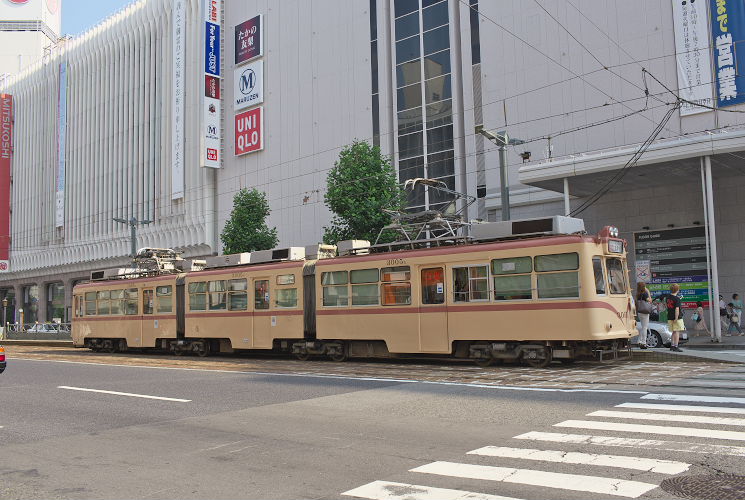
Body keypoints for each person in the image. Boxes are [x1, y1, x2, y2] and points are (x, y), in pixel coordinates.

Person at [666, 284, 684, 352]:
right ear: (677, 290)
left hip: (670, 317)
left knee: (673, 332)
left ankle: (672, 345)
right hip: (677, 317)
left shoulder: (668, 298)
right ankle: (676, 346)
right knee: (677, 332)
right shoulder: (677, 299)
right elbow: (677, 309)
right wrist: (676, 318)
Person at [636, 282, 652, 348]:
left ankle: (639, 341)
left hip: (640, 312)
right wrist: (648, 292)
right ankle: (644, 342)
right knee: (645, 327)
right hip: (645, 312)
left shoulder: (638, 294)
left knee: (643, 327)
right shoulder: (645, 294)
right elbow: (650, 300)